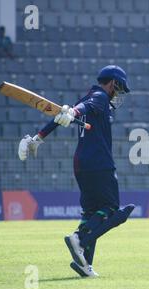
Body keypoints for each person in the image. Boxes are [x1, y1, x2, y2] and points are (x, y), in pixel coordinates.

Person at [17, 65, 135, 277]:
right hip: (99, 163)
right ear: (113, 83)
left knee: (92, 213)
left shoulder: (90, 96)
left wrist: (38, 139)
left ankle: (84, 264)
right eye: (119, 89)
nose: (118, 94)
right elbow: (81, 109)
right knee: (111, 210)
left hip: (81, 164)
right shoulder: (99, 96)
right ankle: (79, 239)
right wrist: (74, 112)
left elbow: (60, 117)